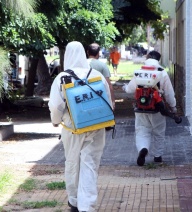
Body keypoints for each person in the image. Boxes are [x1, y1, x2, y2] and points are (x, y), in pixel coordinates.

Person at [48, 41, 113, 212]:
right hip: (96, 125)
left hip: (72, 127)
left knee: (72, 163)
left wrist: (55, 121)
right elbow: (107, 100)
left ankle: (75, 202)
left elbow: (55, 106)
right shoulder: (96, 74)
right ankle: (88, 205)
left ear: (67, 55)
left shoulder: (61, 78)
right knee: (90, 164)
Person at [122, 51, 177, 166]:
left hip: (141, 108)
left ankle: (143, 148)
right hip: (158, 108)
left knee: (142, 130)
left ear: (147, 58)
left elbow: (130, 88)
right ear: (158, 60)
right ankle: (157, 156)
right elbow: (169, 93)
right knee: (159, 132)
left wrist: (125, 88)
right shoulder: (162, 72)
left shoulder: (140, 71)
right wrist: (173, 107)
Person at [87, 43, 115, 109]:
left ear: (87, 52)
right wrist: (112, 101)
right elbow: (108, 85)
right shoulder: (102, 65)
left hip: (84, 97)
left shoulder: (82, 65)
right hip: (100, 97)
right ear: (98, 53)